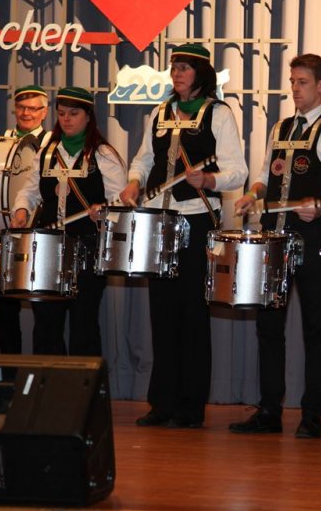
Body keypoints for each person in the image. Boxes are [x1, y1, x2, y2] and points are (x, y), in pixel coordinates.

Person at [229, 53, 321, 438]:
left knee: (315, 327)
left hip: (309, 238)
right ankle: (269, 410)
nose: (295, 89)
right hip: (273, 238)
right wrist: (252, 195)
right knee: (268, 326)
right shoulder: (281, 127)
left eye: (302, 82)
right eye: (292, 81)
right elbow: (264, 176)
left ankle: (312, 415)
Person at [122, 44, 247, 429]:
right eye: (174, 67)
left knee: (192, 313)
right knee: (161, 313)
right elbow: (144, 158)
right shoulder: (160, 112)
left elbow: (237, 171)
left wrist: (208, 179)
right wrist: (133, 182)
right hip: (159, 218)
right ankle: (162, 403)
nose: (176, 73)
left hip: (196, 218)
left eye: (184, 67)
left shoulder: (218, 113)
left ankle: (191, 407)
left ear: (200, 74)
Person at [11, 86, 126, 356]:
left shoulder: (103, 154)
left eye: (73, 114)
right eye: (62, 113)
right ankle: (47, 380)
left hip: (87, 247)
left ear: (88, 116)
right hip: (48, 248)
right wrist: (21, 210)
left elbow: (120, 203)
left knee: (83, 323)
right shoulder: (47, 152)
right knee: (45, 324)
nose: (66, 119)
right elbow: (29, 191)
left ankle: (84, 382)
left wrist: (105, 211)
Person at [0, 85, 50, 354]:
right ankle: (9, 367)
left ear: (44, 112)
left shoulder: (50, 142)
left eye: (33, 108)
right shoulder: (2, 142)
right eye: (21, 107)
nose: (26, 113)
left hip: (38, 235)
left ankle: (40, 368)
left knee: (43, 308)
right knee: (4, 307)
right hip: (2, 233)